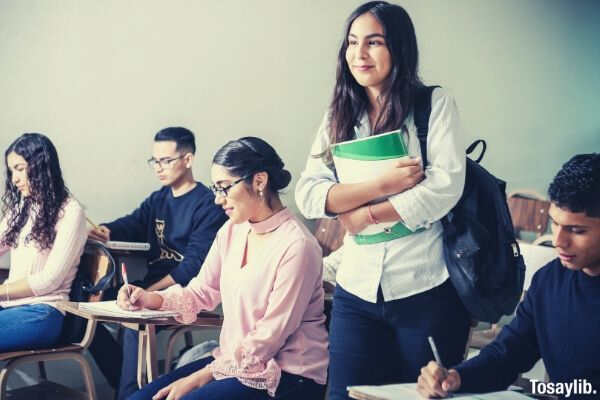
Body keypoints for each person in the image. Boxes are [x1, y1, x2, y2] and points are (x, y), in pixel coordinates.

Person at [295, 2, 471, 399]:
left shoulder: (433, 105)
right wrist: (381, 186)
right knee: (344, 395)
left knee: (418, 395)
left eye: (373, 42)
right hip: (356, 289)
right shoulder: (338, 114)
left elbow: (444, 187)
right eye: (352, 43)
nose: (359, 54)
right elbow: (308, 193)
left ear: (399, 49)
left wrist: (364, 214)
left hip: (423, 286)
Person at [121, 137, 328, 400]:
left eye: (224, 188)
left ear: (259, 181)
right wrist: (148, 298)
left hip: (288, 375)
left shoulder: (298, 246)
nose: (218, 200)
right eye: (215, 189)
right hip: (234, 364)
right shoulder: (232, 230)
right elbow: (201, 292)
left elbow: (268, 338)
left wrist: (199, 377)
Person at [417, 153, 600, 400]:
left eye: (577, 231)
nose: (559, 241)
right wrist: (457, 377)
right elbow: (509, 353)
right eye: (554, 224)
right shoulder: (549, 281)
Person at [87, 127, 227, 399]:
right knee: (93, 311)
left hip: (183, 291)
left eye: (166, 161)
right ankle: (130, 387)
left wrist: (152, 292)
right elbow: (133, 222)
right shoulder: (159, 198)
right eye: (155, 161)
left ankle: (128, 393)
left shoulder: (207, 204)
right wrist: (106, 230)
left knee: (135, 322)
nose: (159, 168)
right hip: (152, 286)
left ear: (187, 160)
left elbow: (192, 268)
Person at [0, 133, 87, 352]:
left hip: (42, 313)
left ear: (40, 165)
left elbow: (49, 281)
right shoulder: (20, 209)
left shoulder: (70, 211)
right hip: (9, 309)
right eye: (11, 171)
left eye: (20, 168)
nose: (14, 179)